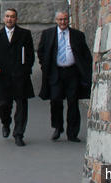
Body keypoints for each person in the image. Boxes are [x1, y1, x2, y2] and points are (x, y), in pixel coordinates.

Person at [37, 10, 92, 142]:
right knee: (55, 100)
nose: (63, 22)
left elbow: (85, 54)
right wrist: (45, 66)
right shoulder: (48, 34)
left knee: (73, 102)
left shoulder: (78, 35)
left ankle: (72, 133)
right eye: (60, 20)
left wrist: (85, 70)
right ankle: (57, 126)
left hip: (72, 72)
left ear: (69, 20)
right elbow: (41, 51)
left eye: (65, 19)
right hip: (56, 72)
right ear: (56, 20)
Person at [0, 7, 35, 146]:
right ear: (3, 18)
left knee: (22, 107)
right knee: (3, 105)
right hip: (3, 77)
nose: (9, 19)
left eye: (12, 16)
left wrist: (26, 69)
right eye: (7, 16)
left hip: (20, 77)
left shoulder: (25, 34)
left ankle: (19, 134)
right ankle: (6, 123)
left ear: (16, 19)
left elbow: (30, 55)